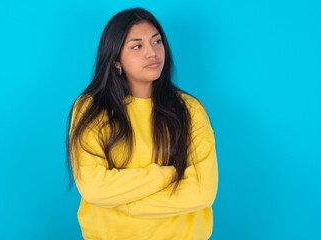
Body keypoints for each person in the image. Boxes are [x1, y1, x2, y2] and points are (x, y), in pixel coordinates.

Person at [66, 7, 218, 240]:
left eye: (157, 42)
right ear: (116, 58)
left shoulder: (190, 110)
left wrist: (125, 204)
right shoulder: (91, 109)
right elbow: (93, 188)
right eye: (137, 46)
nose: (152, 53)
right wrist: (166, 175)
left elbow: (202, 192)